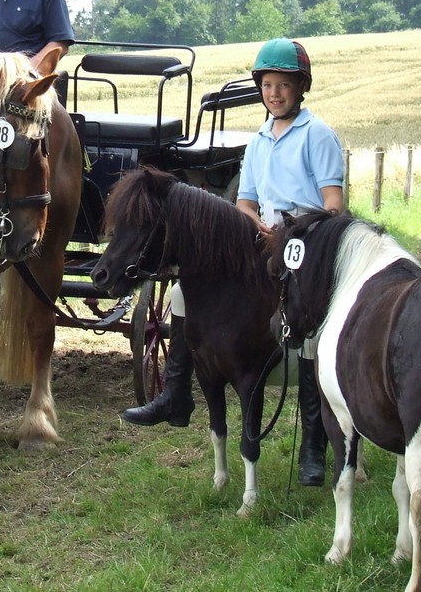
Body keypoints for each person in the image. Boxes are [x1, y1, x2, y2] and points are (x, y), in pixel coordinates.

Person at [120, 38, 345, 488]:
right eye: (267, 85)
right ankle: (177, 390)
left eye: (283, 85)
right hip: (262, 245)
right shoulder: (259, 141)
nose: (274, 93)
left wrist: (291, 231)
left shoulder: (317, 135)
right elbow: (244, 202)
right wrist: (255, 227)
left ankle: (313, 445)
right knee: (186, 291)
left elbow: (334, 207)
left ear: (301, 88)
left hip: (305, 247)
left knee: (313, 331)